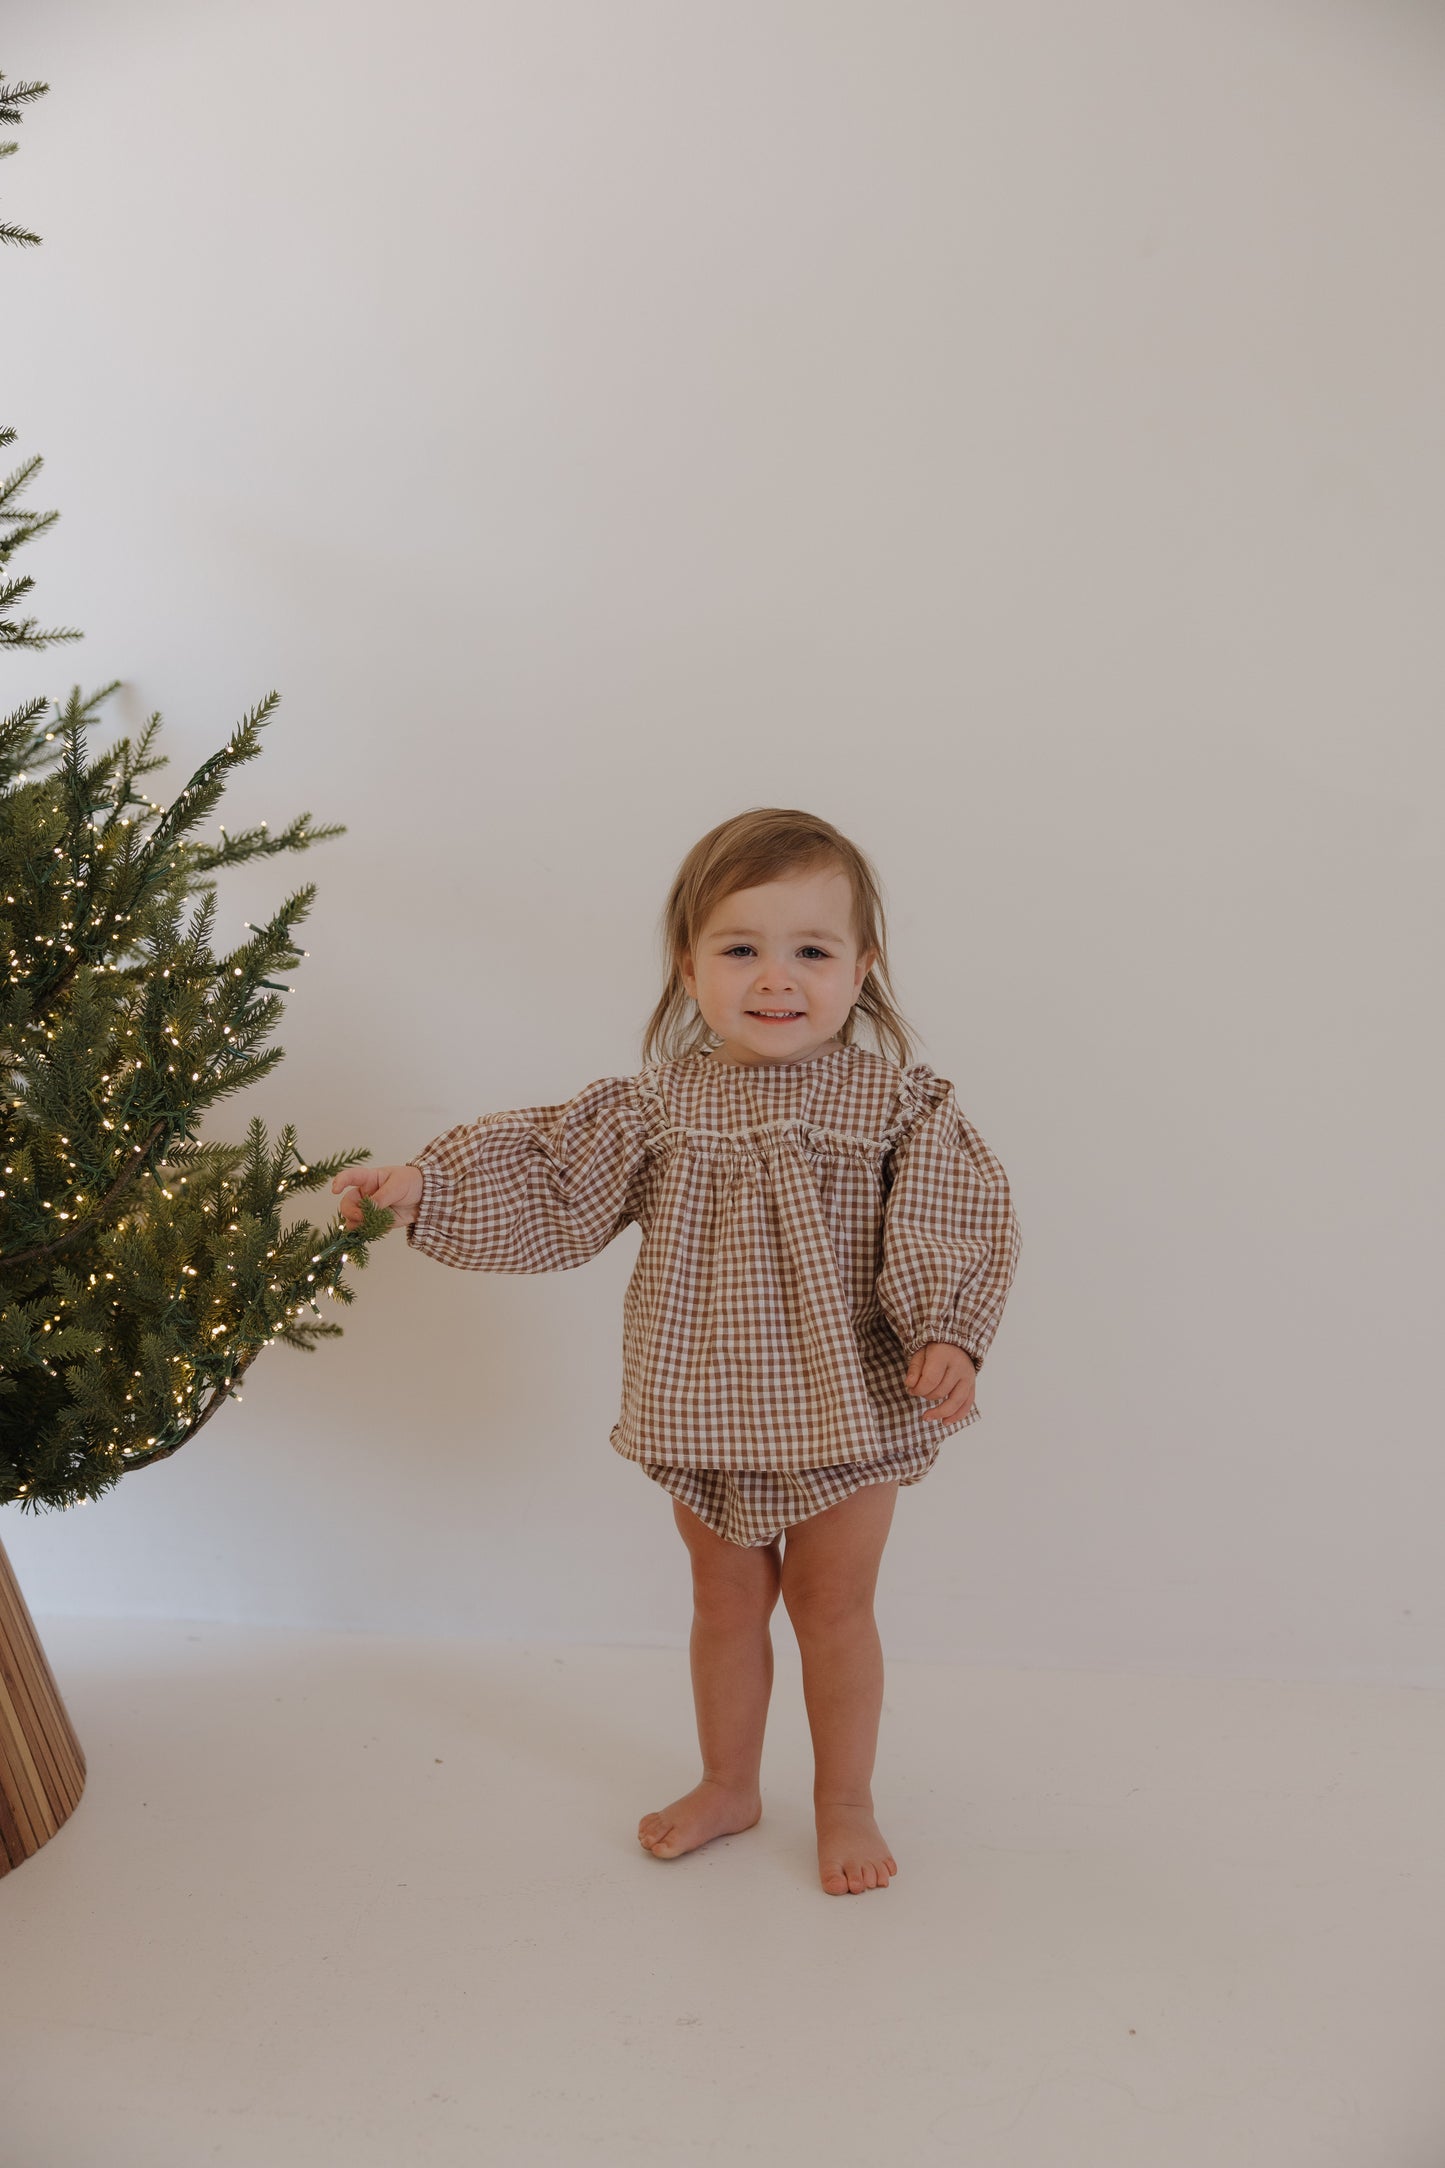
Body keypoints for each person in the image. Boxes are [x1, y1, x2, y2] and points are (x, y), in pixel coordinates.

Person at [332, 807, 1021, 1896]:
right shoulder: (654, 1105)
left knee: (831, 1604)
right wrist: (427, 1184)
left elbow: (947, 1217)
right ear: (688, 964)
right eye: (740, 947)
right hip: (701, 1394)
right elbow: (553, 1179)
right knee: (722, 1598)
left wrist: (946, 1328)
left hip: (849, 1399)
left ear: (861, 966)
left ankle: (843, 1798)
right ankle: (728, 1781)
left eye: (810, 949)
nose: (774, 977)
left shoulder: (894, 1103)